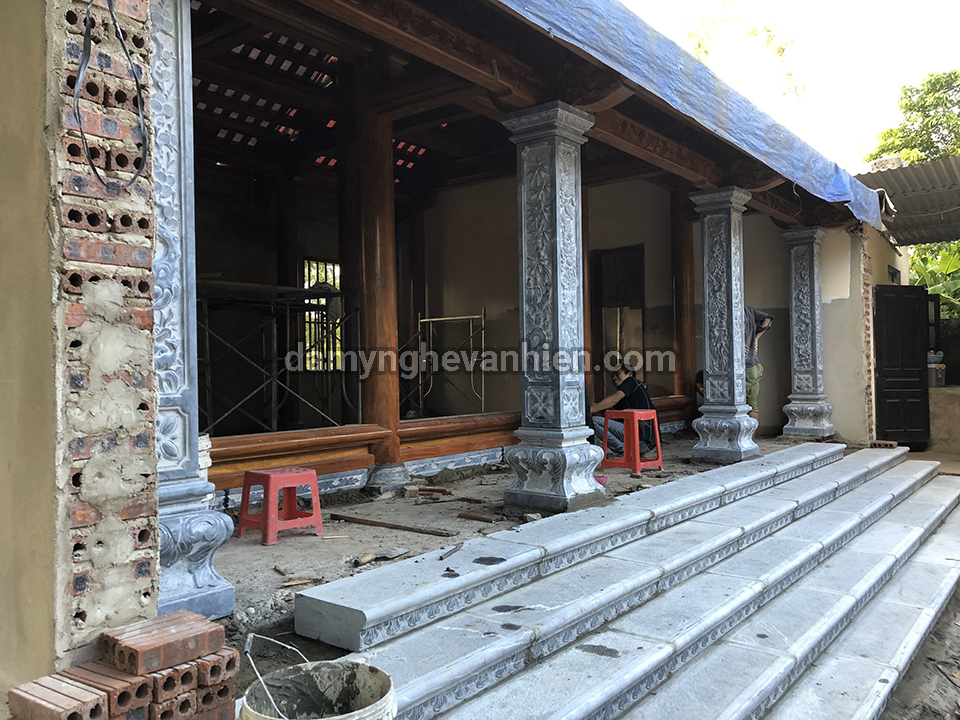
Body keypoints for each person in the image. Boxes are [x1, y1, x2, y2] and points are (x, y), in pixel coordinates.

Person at [589, 363, 655, 457]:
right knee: (599, 420)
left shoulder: (631, 381)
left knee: (594, 421)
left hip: (643, 440)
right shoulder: (626, 396)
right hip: (640, 441)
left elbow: (613, 400)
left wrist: (591, 410)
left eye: (617, 373)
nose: (614, 377)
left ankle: (623, 450)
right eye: (613, 375)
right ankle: (626, 451)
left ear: (630, 374)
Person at [744, 307, 773, 420]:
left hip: (744, 365)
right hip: (755, 365)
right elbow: (768, 319)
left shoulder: (732, 310)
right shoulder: (749, 310)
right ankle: (752, 432)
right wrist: (756, 338)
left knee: (739, 405)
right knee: (752, 405)